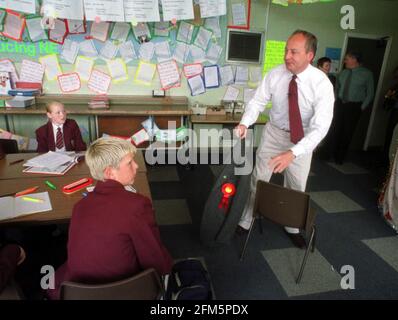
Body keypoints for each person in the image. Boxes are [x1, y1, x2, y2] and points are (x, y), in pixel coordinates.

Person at [235, 30, 334, 248]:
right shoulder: (275, 74)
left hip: (303, 139)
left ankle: (291, 226)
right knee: (259, 178)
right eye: (286, 50)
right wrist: (245, 122)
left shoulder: (321, 84)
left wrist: (293, 153)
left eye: (294, 52)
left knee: (296, 185)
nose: (287, 56)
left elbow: (321, 128)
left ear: (310, 55)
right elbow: (257, 102)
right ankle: (246, 219)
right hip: (274, 133)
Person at [46, 137, 173, 300]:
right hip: (129, 290)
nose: (136, 166)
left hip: (78, 292)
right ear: (109, 172)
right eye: (129, 163)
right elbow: (155, 260)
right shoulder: (138, 205)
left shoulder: (79, 207)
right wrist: (168, 266)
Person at [322, 51, 374, 164]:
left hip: (354, 106)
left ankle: (339, 158)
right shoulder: (343, 73)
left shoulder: (367, 74)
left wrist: (361, 107)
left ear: (354, 59)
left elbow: (370, 93)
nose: (344, 61)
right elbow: (337, 88)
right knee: (333, 129)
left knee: (347, 132)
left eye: (347, 59)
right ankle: (326, 154)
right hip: (340, 104)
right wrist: (335, 101)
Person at [382, 66, 398, 166]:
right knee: (391, 135)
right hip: (395, 112)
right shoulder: (395, 86)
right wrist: (388, 96)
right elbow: (387, 100)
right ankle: (387, 160)